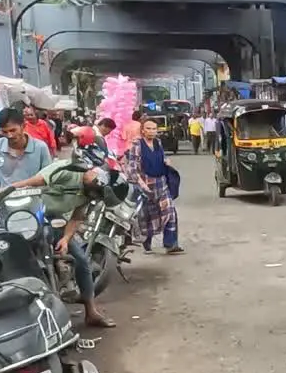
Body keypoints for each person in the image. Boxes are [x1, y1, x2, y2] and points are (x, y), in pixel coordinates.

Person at [11, 161, 123, 328]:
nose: (93, 196)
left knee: (82, 261)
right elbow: (33, 182)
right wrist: (7, 191)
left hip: (56, 222)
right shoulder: (65, 170)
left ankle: (91, 312)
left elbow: (76, 218)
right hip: (29, 219)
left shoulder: (89, 194)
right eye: (95, 192)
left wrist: (65, 239)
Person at [124, 120, 183, 254]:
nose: (151, 131)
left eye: (154, 129)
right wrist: (142, 184)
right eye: (148, 129)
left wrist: (166, 161)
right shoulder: (137, 144)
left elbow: (161, 157)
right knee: (147, 216)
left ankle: (171, 244)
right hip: (145, 184)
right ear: (143, 130)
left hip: (161, 183)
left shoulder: (158, 143)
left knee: (170, 212)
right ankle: (147, 243)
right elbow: (132, 167)